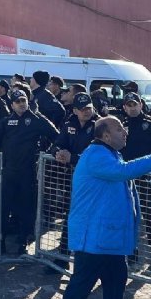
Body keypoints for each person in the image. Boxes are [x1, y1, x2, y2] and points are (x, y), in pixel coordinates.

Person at [50, 116, 151, 299]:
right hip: (94, 237)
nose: (125, 131)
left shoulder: (110, 154)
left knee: (116, 280)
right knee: (81, 284)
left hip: (107, 237)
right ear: (105, 135)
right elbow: (123, 172)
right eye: (119, 128)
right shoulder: (97, 155)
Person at [0, 88, 59, 254]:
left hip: (28, 173)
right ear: (12, 105)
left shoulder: (37, 120)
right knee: (4, 207)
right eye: (18, 101)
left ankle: (23, 243)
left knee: (26, 209)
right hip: (8, 171)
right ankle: (0, 242)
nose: (22, 104)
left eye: (23, 100)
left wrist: (49, 154)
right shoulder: (7, 121)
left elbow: (57, 137)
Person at [49, 92, 101, 272]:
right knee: (71, 217)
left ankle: (88, 263)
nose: (87, 112)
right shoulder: (69, 123)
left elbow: (97, 155)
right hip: (72, 178)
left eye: (89, 108)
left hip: (93, 181)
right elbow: (57, 143)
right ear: (75, 110)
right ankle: (63, 257)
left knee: (92, 220)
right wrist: (58, 153)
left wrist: (72, 158)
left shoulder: (100, 125)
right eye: (82, 109)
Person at [121, 92, 151, 271]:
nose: (132, 108)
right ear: (124, 107)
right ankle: (131, 253)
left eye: (135, 104)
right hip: (126, 177)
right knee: (128, 217)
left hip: (147, 177)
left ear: (141, 104)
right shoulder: (120, 124)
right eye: (129, 105)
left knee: (149, 218)